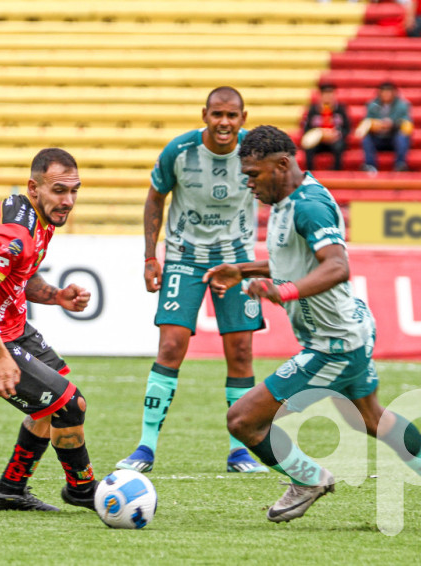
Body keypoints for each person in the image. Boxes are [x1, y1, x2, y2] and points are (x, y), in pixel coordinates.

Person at [203, 125, 421, 530]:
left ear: (282, 165)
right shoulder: (287, 198)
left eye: (253, 174)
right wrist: (243, 269)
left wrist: (285, 292)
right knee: (370, 419)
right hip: (348, 329)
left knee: (243, 420)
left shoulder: (309, 205)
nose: (248, 183)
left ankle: (308, 478)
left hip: (332, 343)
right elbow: (297, 260)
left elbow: (337, 266)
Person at [0, 148, 98, 512]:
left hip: (9, 322)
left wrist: (56, 296)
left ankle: (10, 490)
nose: (68, 201)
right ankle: (84, 490)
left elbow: (17, 275)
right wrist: (1, 358)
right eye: (59, 190)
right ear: (34, 187)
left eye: (74, 191)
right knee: (70, 404)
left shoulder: (35, 215)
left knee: (55, 397)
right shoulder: (16, 233)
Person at [116, 86, 267, 474]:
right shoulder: (179, 152)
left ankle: (240, 451)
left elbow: (282, 188)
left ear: (243, 119)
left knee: (241, 353)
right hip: (185, 257)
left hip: (236, 260)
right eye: (217, 114)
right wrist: (151, 256)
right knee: (170, 346)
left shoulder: (257, 150)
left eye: (231, 116)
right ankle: (145, 447)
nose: (224, 123)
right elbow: (155, 197)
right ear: (204, 115)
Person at [357, 82, 413, 173]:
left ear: (394, 93)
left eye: (389, 92)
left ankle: (400, 164)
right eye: (384, 92)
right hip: (378, 137)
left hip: (394, 137)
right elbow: (365, 124)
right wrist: (374, 125)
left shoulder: (402, 105)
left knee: (402, 137)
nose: (386, 94)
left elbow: (408, 124)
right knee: (366, 138)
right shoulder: (372, 105)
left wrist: (394, 125)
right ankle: (370, 165)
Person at [301, 83, 350, 171]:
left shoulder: (341, 109)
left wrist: (336, 134)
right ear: (320, 96)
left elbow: (347, 128)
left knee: (339, 146)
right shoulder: (313, 110)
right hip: (318, 141)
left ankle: (336, 171)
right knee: (309, 147)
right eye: (325, 94)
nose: (328, 97)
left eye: (330, 94)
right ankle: (310, 172)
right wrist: (319, 134)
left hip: (334, 139)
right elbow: (306, 128)